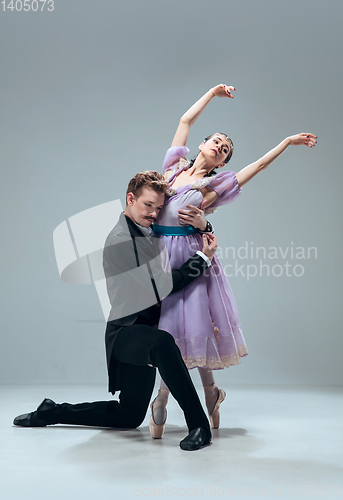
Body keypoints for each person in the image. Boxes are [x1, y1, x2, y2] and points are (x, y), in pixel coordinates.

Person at [149, 83, 317, 436]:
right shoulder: (174, 168)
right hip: (159, 254)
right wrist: (211, 93)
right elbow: (185, 119)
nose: (219, 148)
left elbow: (255, 167)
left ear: (223, 162)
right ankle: (208, 395)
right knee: (168, 328)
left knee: (189, 328)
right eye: (216, 141)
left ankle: (164, 398)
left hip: (192, 256)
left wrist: (286, 143)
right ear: (202, 145)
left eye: (225, 150)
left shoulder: (217, 184)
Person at [13, 171, 219, 451]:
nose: (154, 213)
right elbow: (161, 287)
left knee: (129, 416)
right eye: (148, 206)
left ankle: (52, 411)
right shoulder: (121, 239)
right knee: (162, 343)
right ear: (130, 198)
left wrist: (205, 228)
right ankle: (199, 426)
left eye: (158, 208)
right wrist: (202, 259)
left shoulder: (148, 231)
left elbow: (180, 229)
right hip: (127, 332)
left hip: (145, 330)